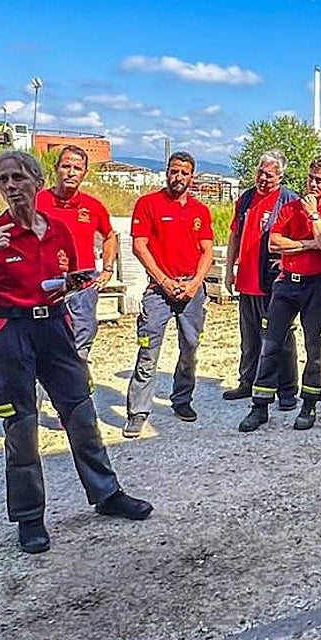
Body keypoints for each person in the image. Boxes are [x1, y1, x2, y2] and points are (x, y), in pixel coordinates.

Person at [0, 150, 152, 555]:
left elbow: (64, 280)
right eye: (4, 180)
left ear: (37, 181)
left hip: (55, 326)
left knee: (81, 413)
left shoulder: (59, 231)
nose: (11, 187)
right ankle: (30, 518)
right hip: (10, 330)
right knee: (22, 426)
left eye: (18, 178)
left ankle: (107, 493)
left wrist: (71, 284)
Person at [239, 155, 321, 433]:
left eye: (319, 181)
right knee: (271, 344)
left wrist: (314, 217)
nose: (313, 184)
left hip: (316, 287)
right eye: (310, 178)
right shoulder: (290, 208)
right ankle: (259, 406)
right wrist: (311, 243)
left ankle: (309, 404)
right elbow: (274, 244)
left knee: (314, 348)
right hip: (286, 284)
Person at [124, 152, 215, 436]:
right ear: (167, 172)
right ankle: (138, 411)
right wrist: (163, 281)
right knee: (148, 350)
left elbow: (207, 251)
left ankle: (182, 399)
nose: (178, 177)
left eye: (184, 173)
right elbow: (140, 246)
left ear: (192, 176)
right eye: (174, 171)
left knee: (190, 347)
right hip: (158, 291)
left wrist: (195, 284)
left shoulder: (200, 211)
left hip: (191, 290)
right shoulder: (148, 204)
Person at [223, 153, 299, 409]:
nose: (263, 178)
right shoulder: (245, 198)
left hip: (274, 282)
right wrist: (228, 270)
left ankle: (287, 391)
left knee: (281, 337)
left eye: (269, 174)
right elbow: (235, 234)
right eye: (260, 172)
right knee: (250, 337)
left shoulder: (289, 200)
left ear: (280, 176)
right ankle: (248, 382)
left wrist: (287, 263)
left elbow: (299, 237)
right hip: (247, 280)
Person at [35, 145, 118, 363]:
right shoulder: (37, 202)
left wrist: (107, 269)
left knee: (83, 336)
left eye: (77, 168)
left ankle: (74, 386)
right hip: (47, 283)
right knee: (44, 341)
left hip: (83, 283)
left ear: (85, 173)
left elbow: (109, 236)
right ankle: (39, 394)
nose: (71, 172)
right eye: (66, 166)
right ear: (56, 169)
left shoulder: (93, 206)